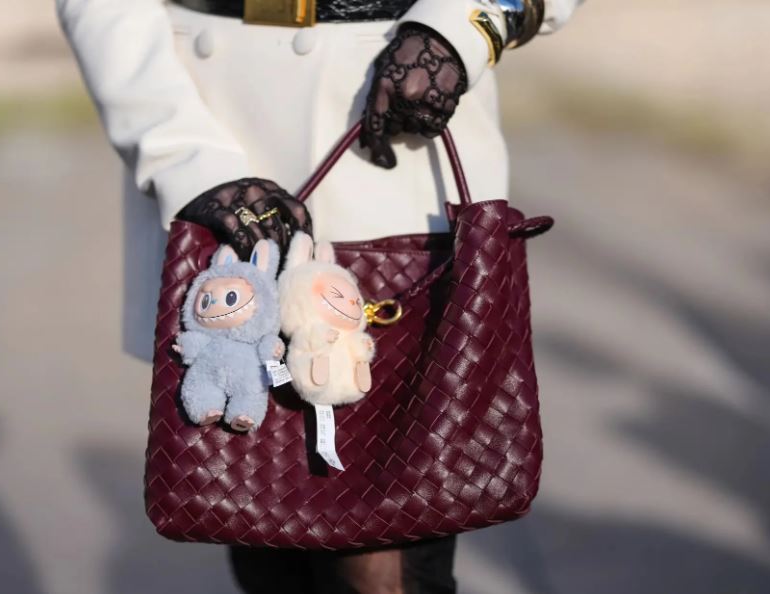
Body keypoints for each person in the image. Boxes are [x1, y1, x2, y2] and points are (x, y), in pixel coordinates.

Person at [57, 1, 583, 592]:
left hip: (404, 111)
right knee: (262, 553)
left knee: (381, 574)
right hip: (213, 132)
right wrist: (183, 158)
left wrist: (460, 28)